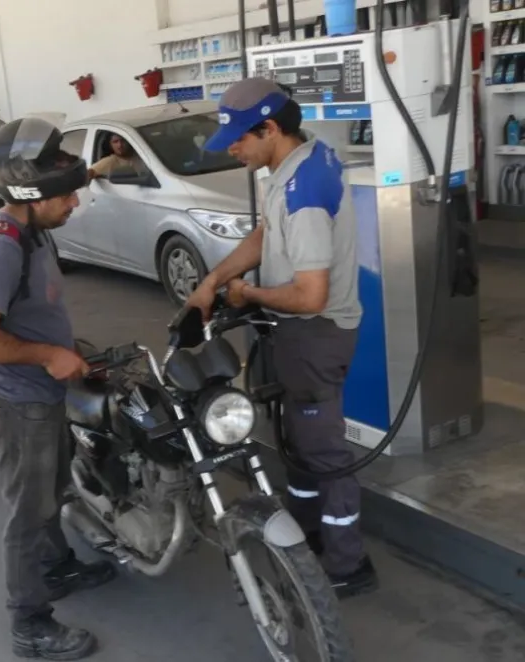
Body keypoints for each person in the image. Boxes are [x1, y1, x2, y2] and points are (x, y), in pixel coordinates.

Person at [184, 77, 376, 598]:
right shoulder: (296, 164)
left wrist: (249, 294)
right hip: (294, 336)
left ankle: (346, 564)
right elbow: (265, 234)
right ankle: (307, 539)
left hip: (314, 334)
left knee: (324, 452)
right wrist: (215, 280)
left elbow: (310, 295)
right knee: (297, 443)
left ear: (270, 128)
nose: (236, 152)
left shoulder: (304, 191)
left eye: (241, 141)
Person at [0, 117, 116, 661]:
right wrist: (49, 354)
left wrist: (108, 161)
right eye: (65, 195)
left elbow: (77, 179)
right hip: (16, 400)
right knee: (28, 510)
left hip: (44, 391)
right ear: (31, 193)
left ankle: (58, 567)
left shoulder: (34, 224)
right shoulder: (2, 246)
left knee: (53, 491)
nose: (74, 202)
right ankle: (29, 623)